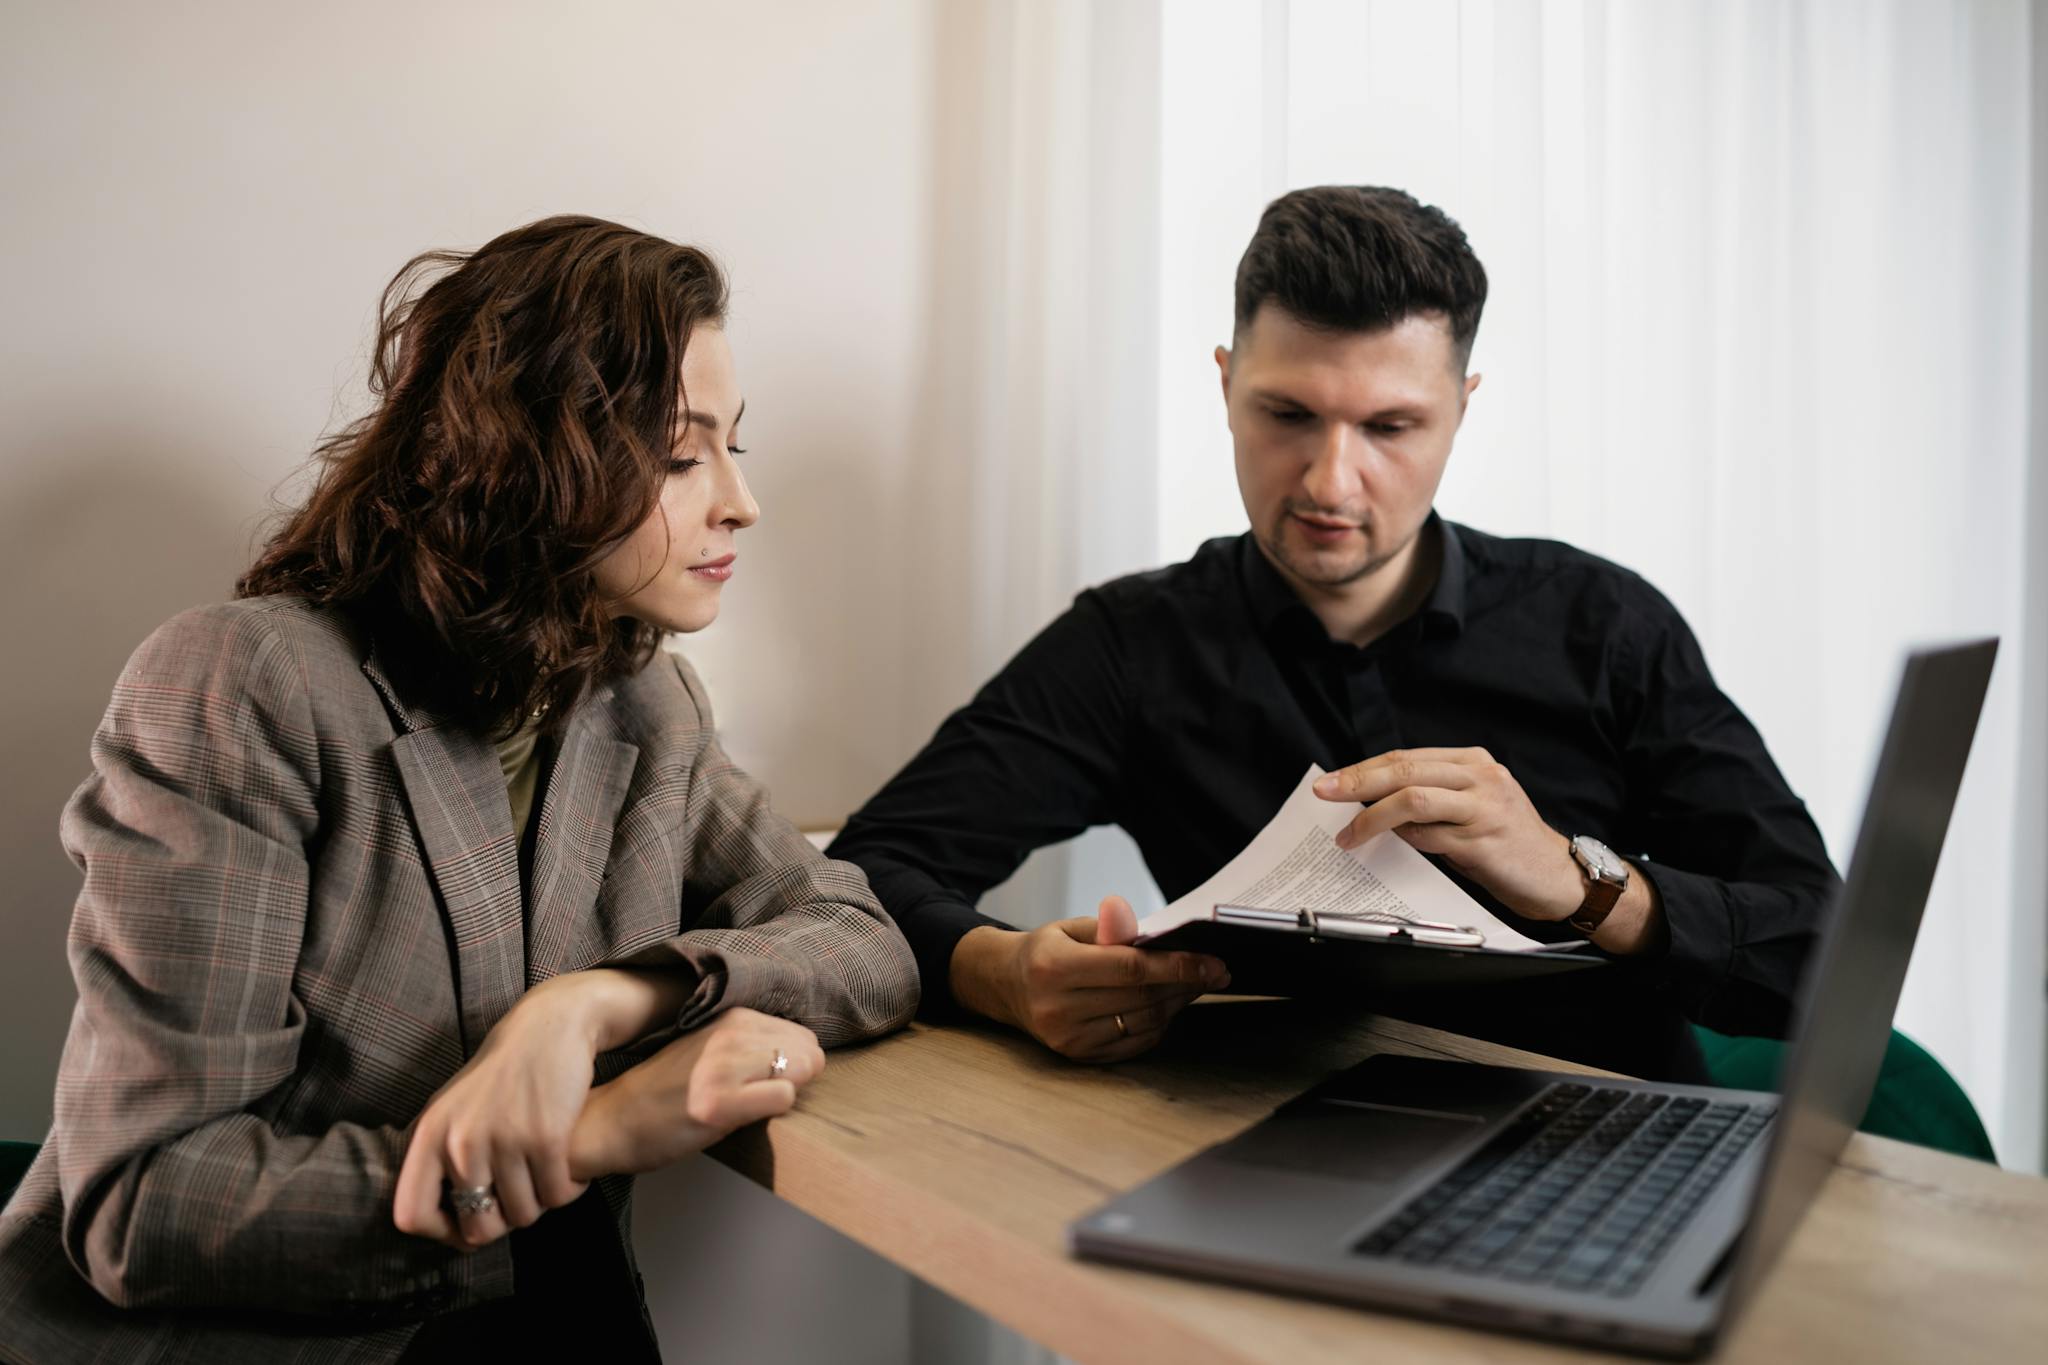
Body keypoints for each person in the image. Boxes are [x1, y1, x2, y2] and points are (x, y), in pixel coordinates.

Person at [0, 216, 919, 1364]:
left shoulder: (643, 704)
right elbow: (144, 1204)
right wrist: (587, 1135)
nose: (740, 501)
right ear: (532, 456)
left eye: (737, 448)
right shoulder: (249, 683)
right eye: (683, 456)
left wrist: (592, 1007)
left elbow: (860, 936)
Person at [829, 185, 1837, 1082]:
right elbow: (861, 876)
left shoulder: (1603, 626)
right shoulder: (1130, 647)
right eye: (1287, 414)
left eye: (1389, 428)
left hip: (1611, 1155)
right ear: (1224, 385)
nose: (1327, 482)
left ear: (1460, 410)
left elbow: (1821, 956)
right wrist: (998, 972)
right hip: (1270, 1157)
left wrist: (1582, 888)